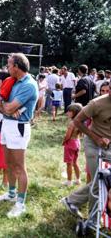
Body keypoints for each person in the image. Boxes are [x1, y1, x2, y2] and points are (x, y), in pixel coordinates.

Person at [0, 53, 39, 218]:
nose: (7, 68)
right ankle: (11, 194)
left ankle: (20, 204)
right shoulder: (11, 81)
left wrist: (5, 107)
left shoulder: (29, 85)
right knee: (9, 163)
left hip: (19, 127)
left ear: (17, 67)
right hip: (7, 124)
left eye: (9, 65)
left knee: (19, 167)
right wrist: (5, 108)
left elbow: (6, 107)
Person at [61, 82, 111, 219]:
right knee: (99, 181)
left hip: (108, 145)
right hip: (93, 144)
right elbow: (77, 121)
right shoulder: (97, 103)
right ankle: (94, 220)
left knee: (105, 181)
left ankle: (71, 201)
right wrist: (96, 138)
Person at [62, 103, 83, 186]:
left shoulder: (72, 123)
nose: (67, 113)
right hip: (77, 142)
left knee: (69, 163)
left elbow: (68, 135)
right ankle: (78, 180)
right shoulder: (80, 122)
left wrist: (64, 141)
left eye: (69, 111)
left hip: (70, 143)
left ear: (75, 113)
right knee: (75, 162)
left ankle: (69, 181)